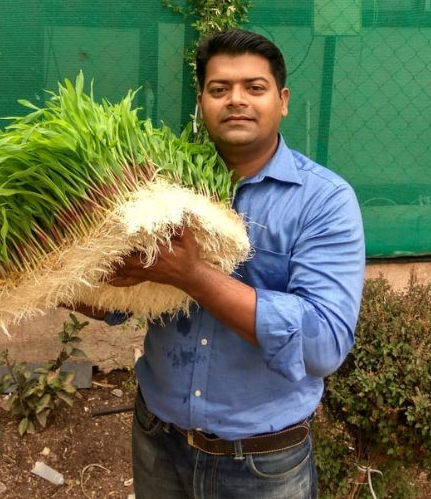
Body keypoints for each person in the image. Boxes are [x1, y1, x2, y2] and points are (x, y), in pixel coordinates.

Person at [72, 29, 365, 497]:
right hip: (157, 440)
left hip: (262, 461)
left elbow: (323, 346)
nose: (236, 100)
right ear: (202, 102)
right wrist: (42, 281)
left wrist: (192, 275)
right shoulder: (160, 185)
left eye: (254, 87)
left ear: (282, 100)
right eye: (219, 89)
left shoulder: (324, 202)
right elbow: (125, 302)